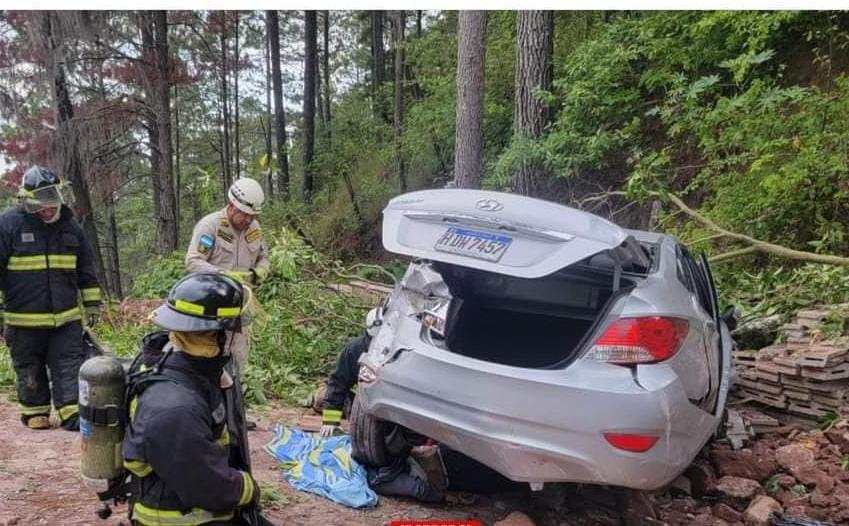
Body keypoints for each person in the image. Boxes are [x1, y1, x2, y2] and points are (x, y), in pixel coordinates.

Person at [122, 272, 262, 526]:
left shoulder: (182, 364)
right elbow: (208, 486)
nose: (240, 337)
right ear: (217, 334)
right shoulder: (175, 407)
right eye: (236, 330)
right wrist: (248, 488)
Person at [0, 165, 102, 430]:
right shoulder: (8, 225)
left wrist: (92, 304)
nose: (47, 210)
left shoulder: (71, 227)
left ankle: (71, 412)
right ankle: (35, 411)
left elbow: (85, 270)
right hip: (23, 321)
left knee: (69, 365)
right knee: (29, 367)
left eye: (51, 204)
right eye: (41, 206)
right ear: (27, 201)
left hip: (66, 319)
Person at [185, 177, 269, 374]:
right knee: (209, 353)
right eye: (245, 214)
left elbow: (264, 256)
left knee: (238, 356)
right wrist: (222, 274)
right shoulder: (211, 226)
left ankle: (236, 388)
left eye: (253, 216)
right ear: (231, 205)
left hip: (240, 303)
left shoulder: (255, 229)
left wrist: (261, 271)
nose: (248, 220)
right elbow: (193, 261)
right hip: (211, 303)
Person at [317, 308, 381, 437]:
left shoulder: (402, 351)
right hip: (364, 398)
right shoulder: (355, 349)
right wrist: (331, 420)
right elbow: (338, 382)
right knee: (322, 398)